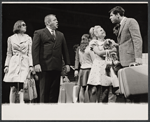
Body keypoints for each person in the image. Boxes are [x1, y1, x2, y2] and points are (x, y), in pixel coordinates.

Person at [32, 14, 70, 103]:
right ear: (48, 22)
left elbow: (65, 50)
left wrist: (67, 63)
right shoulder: (39, 33)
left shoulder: (61, 35)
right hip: (45, 66)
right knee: (44, 92)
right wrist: (36, 63)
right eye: (55, 20)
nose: (57, 21)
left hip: (56, 67)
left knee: (54, 92)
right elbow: (35, 49)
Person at [3, 20, 33, 103]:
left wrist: (31, 65)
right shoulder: (11, 38)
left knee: (23, 86)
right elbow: (9, 53)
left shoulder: (28, 38)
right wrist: (6, 65)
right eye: (23, 25)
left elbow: (30, 53)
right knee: (13, 86)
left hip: (24, 62)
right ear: (18, 26)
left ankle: (22, 104)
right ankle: (11, 105)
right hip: (14, 62)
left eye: (25, 25)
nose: (25, 26)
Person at [87, 25, 117, 103]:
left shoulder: (108, 41)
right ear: (96, 34)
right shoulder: (94, 42)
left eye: (103, 29)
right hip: (98, 67)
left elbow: (115, 51)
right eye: (100, 30)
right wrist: (111, 50)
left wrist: (113, 51)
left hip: (106, 65)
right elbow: (99, 52)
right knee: (96, 89)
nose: (103, 31)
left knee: (106, 89)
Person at [74, 34, 95, 102]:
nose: (83, 41)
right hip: (84, 69)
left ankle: (91, 103)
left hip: (89, 69)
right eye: (82, 39)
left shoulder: (90, 48)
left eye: (84, 39)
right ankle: (82, 103)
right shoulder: (79, 49)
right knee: (82, 88)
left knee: (89, 88)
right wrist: (76, 69)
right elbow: (77, 59)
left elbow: (93, 59)